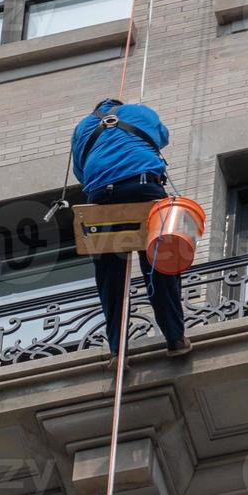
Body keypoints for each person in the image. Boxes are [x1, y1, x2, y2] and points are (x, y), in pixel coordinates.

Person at [70, 98, 191, 361]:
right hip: (142, 185)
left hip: (101, 196)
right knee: (160, 263)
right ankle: (175, 337)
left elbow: (80, 171)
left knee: (110, 277)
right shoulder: (139, 111)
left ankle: (117, 350)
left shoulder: (82, 127)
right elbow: (162, 138)